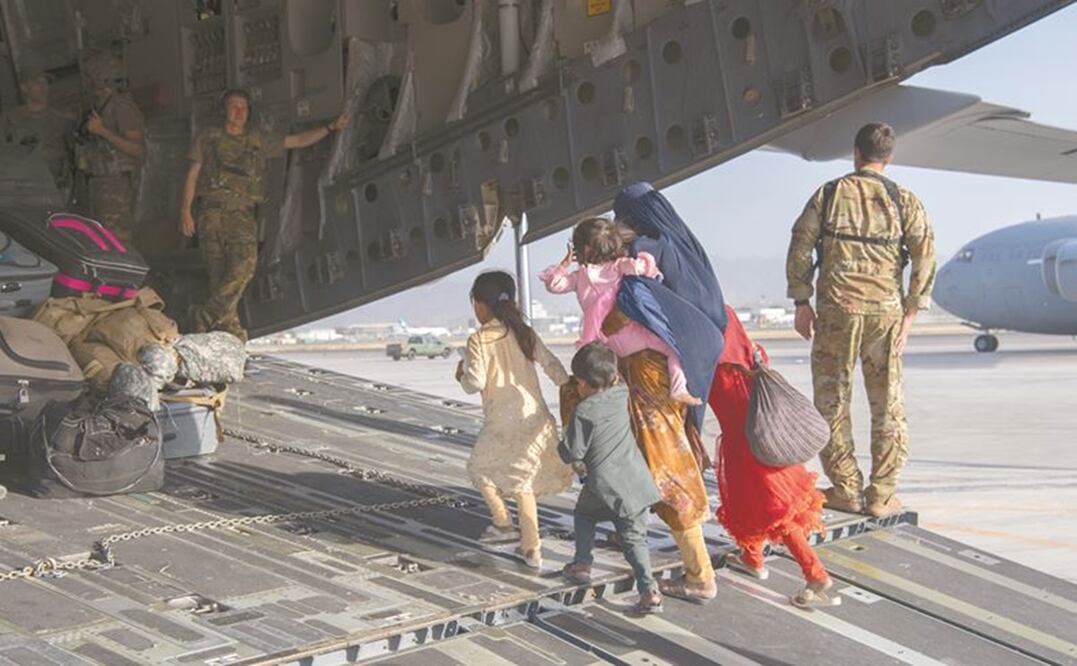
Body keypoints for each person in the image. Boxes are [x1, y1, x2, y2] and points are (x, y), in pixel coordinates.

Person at [786, 122, 936, 518]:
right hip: (885, 315)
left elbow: (801, 244)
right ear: (888, 157)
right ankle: (882, 495)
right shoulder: (905, 200)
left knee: (832, 402)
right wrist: (910, 314)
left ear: (856, 153)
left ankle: (846, 488)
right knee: (888, 405)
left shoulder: (830, 193)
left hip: (837, 311)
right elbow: (924, 255)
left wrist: (802, 300)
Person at [179, 88, 349, 343]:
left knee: (245, 266)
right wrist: (185, 211)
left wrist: (330, 127)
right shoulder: (208, 137)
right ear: (225, 109)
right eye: (234, 106)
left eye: (244, 108)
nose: (239, 112)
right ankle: (232, 334)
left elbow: (299, 141)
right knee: (218, 277)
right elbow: (192, 175)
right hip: (211, 213)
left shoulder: (258, 140)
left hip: (242, 215)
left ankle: (205, 314)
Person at [712, 307, 838, 609]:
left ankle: (815, 573)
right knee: (754, 505)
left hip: (748, 451)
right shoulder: (741, 342)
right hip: (768, 442)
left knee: (773, 510)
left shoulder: (714, 364)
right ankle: (752, 558)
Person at [456, 271, 573, 569]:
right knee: (523, 483)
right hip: (535, 418)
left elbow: (475, 382)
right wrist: (569, 386)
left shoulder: (478, 340)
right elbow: (551, 365)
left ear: (480, 305)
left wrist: (461, 374)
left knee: (479, 469)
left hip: (502, 421)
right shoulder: (523, 331)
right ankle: (532, 549)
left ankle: (503, 523)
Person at [539, 217, 700, 405]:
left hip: (605, 344)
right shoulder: (618, 266)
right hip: (634, 336)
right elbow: (643, 268)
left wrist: (563, 265)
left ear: (584, 249)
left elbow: (555, 285)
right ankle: (679, 388)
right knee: (674, 351)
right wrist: (643, 257)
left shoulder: (579, 276)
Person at [559, 342, 663, 614]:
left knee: (584, 515)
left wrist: (559, 441)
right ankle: (649, 590)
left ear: (582, 382)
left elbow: (572, 452)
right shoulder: (621, 392)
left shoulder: (584, 411)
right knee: (634, 538)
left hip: (604, 486)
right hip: (637, 481)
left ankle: (582, 564)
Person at [73, 52, 145, 245]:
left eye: (91, 74)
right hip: (95, 184)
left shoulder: (122, 106)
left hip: (116, 187)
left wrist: (102, 131)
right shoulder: (96, 106)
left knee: (118, 243)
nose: (88, 80)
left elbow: (138, 149)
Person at [0, 69, 74, 197]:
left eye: (46, 83)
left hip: (53, 187)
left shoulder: (60, 119)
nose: (43, 87)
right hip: (19, 188)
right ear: (24, 87)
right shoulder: (10, 117)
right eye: (37, 83)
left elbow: (72, 155)